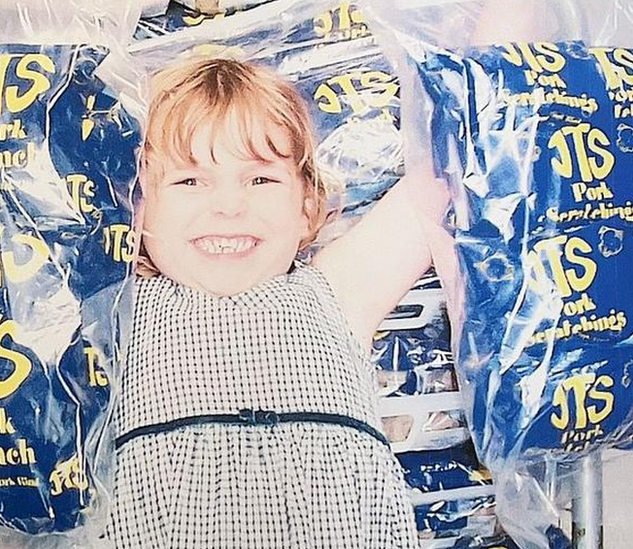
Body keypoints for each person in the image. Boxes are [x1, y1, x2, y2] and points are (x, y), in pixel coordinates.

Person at [110, 57, 436, 549]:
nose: (228, 205)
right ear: (135, 208)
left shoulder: (334, 292)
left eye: (260, 179)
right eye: (189, 181)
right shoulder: (109, 313)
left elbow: (457, 152)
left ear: (309, 206)